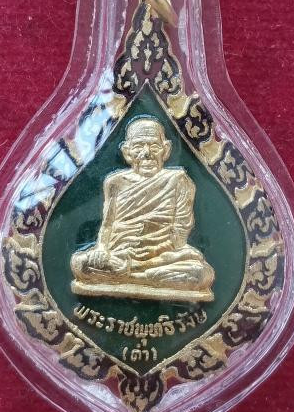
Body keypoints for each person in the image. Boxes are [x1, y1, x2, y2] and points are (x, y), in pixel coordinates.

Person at [70, 117, 215, 301]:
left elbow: (181, 232)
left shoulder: (178, 180)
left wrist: (154, 255)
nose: (147, 153)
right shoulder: (115, 182)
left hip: (162, 258)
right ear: (127, 151)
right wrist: (101, 248)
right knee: (79, 264)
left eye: (154, 146)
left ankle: (133, 277)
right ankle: (144, 278)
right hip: (119, 255)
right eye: (138, 146)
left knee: (202, 274)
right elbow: (108, 224)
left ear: (166, 149)